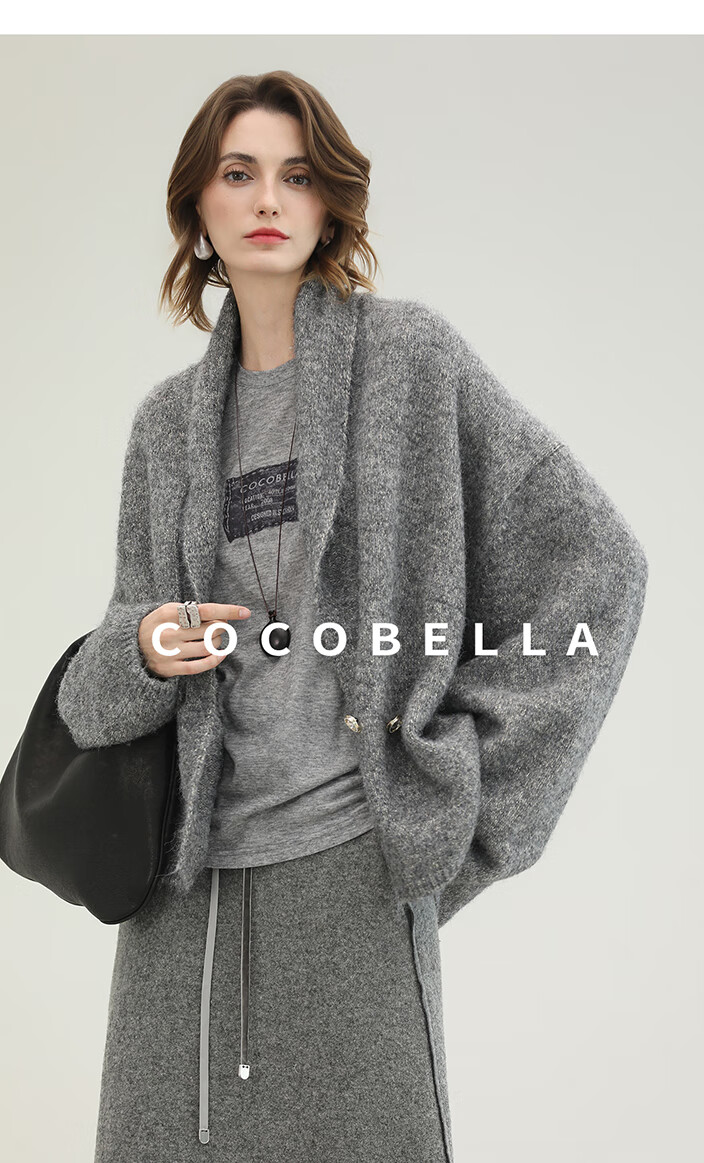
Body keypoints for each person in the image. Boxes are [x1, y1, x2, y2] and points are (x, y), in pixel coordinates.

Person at [56, 71, 648, 1163]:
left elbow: (598, 568)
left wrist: (462, 789)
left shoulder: (412, 366)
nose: (267, 198)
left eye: (296, 175)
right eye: (239, 173)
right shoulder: (165, 427)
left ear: (329, 203)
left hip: (351, 881)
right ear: (198, 208)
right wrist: (142, 646)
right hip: (181, 904)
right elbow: (95, 698)